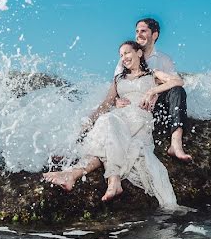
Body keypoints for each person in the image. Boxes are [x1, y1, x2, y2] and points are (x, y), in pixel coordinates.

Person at [43, 40, 181, 208]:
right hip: (118, 118)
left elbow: (177, 81)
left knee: (107, 122)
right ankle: (88, 177)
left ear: (139, 53)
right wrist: (88, 122)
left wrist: (152, 91)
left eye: (127, 53)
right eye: (121, 55)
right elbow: (105, 104)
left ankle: (89, 177)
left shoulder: (152, 74)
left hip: (139, 120)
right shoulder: (118, 80)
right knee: (106, 125)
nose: (124, 58)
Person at [114, 18, 191, 161]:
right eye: (137, 31)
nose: (138, 34)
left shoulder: (164, 59)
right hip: (132, 109)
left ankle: (176, 144)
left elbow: (178, 82)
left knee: (178, 91)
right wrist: (116, 101)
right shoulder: (125, 58)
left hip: (155, 108)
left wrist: (153, 91)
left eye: (143, 31)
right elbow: (117, 86)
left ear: (154, 35)